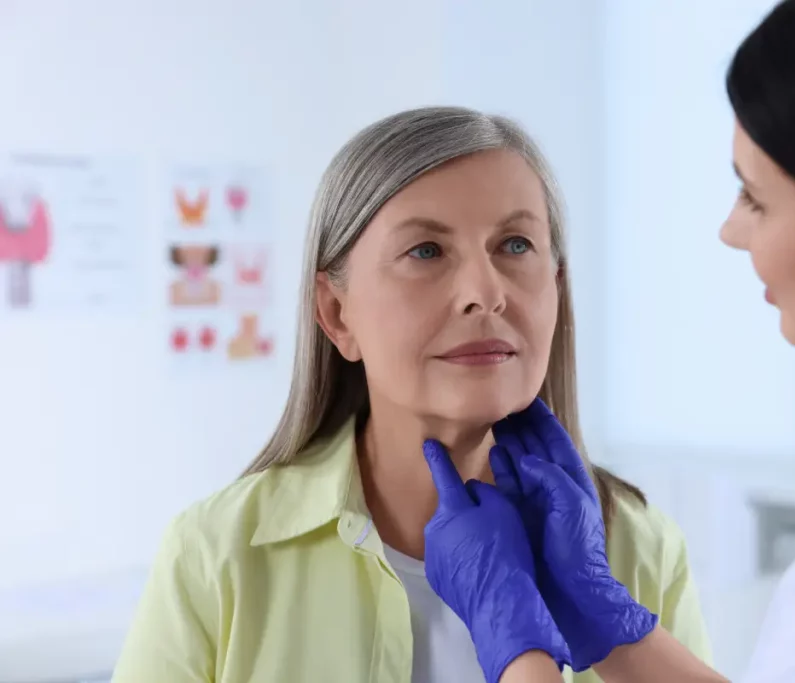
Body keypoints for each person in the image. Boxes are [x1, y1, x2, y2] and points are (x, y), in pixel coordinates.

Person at [421, 0, 795, 681]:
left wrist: (519, 653)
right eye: (424, 251)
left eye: (757, 199)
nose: (731, 231)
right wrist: (608, 621)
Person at [111, 107, 712, 682]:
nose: (486, 292)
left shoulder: (638, 547)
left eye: (515, 245)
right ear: (337, 313)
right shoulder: (215, 557)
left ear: (557, 289)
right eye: (426, 251)